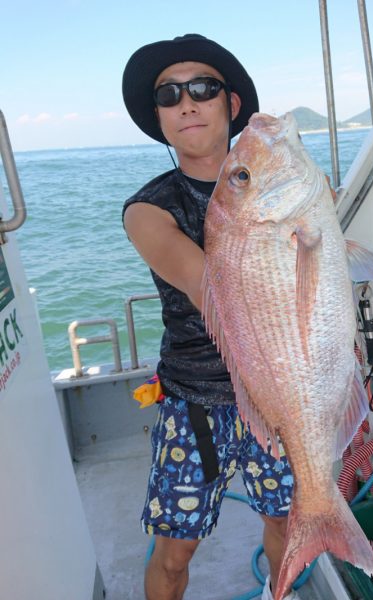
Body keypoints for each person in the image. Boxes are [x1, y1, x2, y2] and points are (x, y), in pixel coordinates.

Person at [122, 34, 300, 600]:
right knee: (174, 554)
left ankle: (282, 592)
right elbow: (216, 291)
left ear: (233, 104)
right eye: (169, 95)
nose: (187, 103)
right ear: (159, 118)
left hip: (276, 396)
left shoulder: (282, 186)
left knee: (286, 523)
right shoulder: (149, 209)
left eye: (202, 88)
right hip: (194, 401)